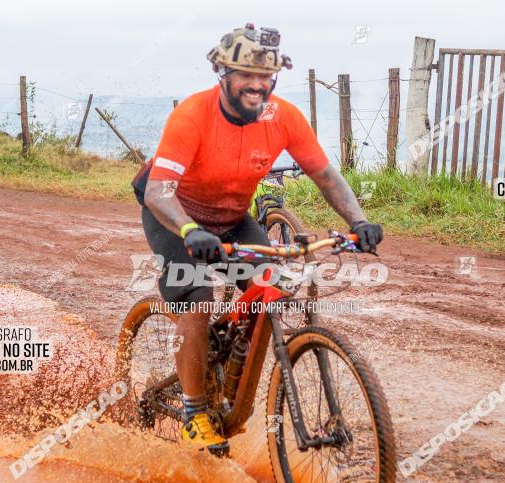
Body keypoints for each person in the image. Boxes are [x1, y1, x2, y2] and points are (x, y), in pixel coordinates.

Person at [132, 23, 383, 456]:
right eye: (246, 75)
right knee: (197, 296)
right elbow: (157, 191)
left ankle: (229, 367)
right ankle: (194, 411)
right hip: (175, 215)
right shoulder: (193, 114)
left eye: (265, 76)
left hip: (231, 217)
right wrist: (191, 231)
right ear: (223, 74)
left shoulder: (281, 116)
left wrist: (359, 221)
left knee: (272, 283)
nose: (257, 85)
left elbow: (325, 175)